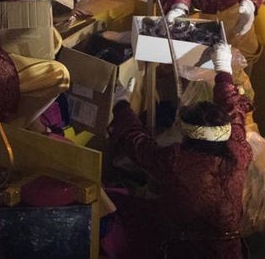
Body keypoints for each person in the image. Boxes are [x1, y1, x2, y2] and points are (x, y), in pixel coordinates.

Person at [108, 43, 253, 258]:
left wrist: (121, 105)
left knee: (118, 205)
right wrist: (223, 69)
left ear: (186, 135)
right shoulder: (238, 151)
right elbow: (233, 109)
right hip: (231, 250)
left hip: (188, 249)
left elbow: (137, 143)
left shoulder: (176, 161)